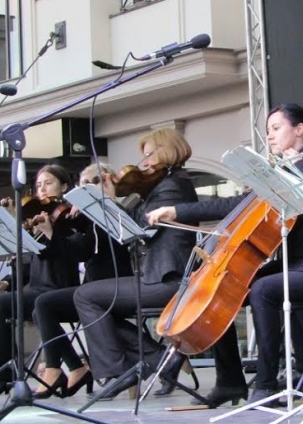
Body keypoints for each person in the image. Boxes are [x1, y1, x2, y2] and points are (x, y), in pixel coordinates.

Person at [147, 103, 303, 407]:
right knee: (222, 292)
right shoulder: (276, 175)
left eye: (276, 128)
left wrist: (298, 165)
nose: (269, 135)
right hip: (291, 266)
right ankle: (230, 381)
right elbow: (233, 204)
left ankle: (266, 386)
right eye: (267, 130)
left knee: (264, 289)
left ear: (299, 130)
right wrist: (176, 210)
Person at [73, 128, 198, 400]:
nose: (146, 163)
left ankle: (121, 371)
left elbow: (141, 228)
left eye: (150, 154)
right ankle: (160, 357)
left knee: (85, 296)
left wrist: (108, 202)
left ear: (168, 150)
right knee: (95, 305)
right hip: (157, 276)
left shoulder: (172, 185)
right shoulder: (163, 183)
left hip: (168, 278)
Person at [31, 162, 132, 399]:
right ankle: (74, 367)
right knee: (41, 309)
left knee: (44, 304)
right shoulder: (88, 216)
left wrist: (55, 232)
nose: (83, 189)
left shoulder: (112, 211)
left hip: (111, 286)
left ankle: (57, 369)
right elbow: (76, 248)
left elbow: (82, 251)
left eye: (89, 183)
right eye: (81, 184)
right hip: (93, 286)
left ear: (105, 182)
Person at [0, 165, 81, 396]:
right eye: (38, 185)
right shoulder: (39, 219)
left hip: (59, 288)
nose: (42, 189)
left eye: (48, 183)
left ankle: (8, 376)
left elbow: (71, 253)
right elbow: (27, 265)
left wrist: (50, 233)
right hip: (36, 289)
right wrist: (6, 283)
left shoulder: (69, 218)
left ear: (64, 186)